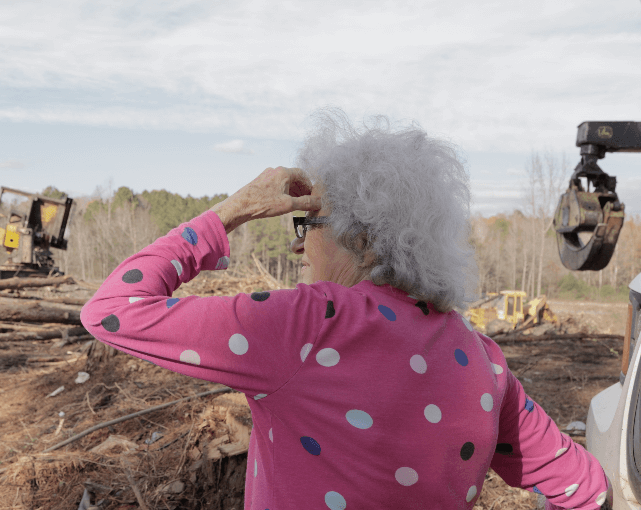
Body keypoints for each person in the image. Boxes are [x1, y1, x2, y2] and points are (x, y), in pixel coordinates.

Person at [79, 108, 611, 509]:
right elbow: (585, 487)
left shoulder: (309, 324)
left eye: (306, 225)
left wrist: (233, 210)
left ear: (365, 240)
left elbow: (114, 309)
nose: (297, 246)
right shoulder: (484, 360)